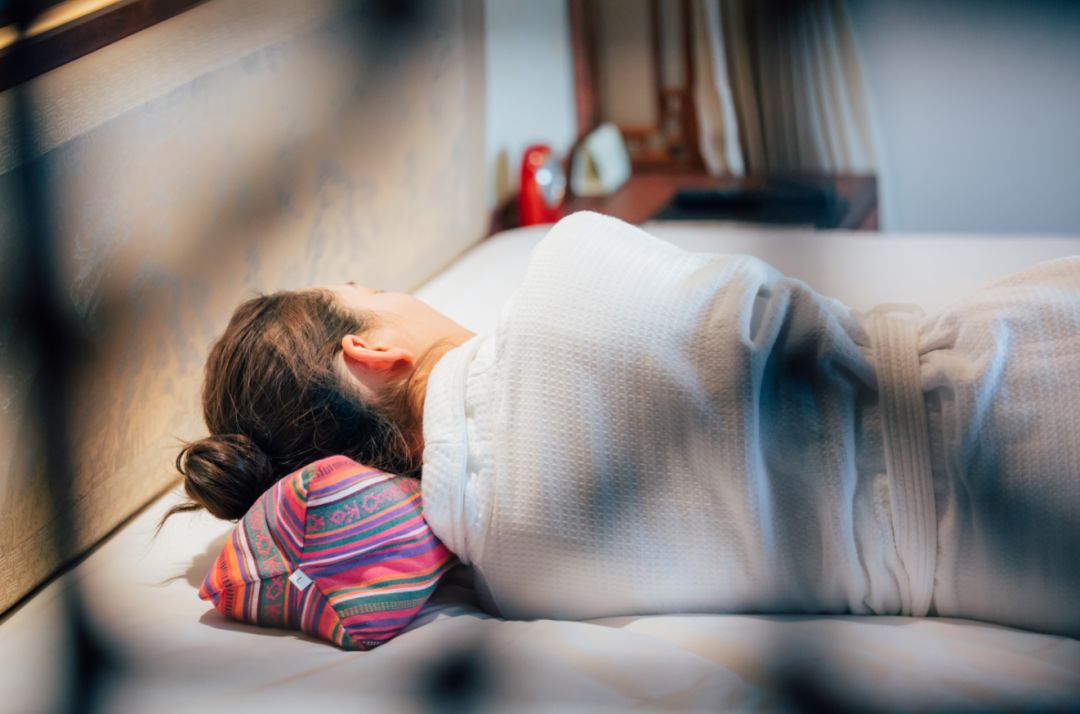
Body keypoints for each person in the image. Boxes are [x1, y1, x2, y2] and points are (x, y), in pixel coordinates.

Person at [170, 211, 1080, 638]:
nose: (402, 294)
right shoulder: (571, 266)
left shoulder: (513, 577)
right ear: (373, 352)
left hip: (1013, 574)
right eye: (372, 290)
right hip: (1020, 371)